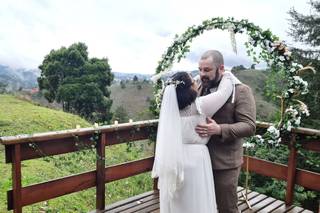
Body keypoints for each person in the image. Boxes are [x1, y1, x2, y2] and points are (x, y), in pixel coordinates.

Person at [151, 70, 241, 213]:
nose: (197, 83)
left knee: (179, 201)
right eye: (194, 82)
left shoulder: (169, 110)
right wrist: (226, 75)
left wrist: (193, 78)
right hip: (196, 160)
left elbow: (189, 84)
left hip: (174, 158)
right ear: (189, 88)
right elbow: (224, 92)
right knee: (197, 202)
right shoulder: (201, 105)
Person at [195, 50, 256, 213]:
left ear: (221, 68)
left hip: (225, 163)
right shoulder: (200, 87)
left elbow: (249, 126)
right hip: (200, 161)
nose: (202, 74)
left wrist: (219, 129)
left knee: (226, 208)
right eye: (200, 70)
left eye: (207, 70)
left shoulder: (242, 90)